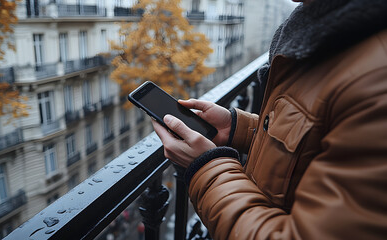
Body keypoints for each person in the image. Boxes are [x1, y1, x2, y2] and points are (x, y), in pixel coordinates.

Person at [152, 0, 387, 239]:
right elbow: (318, 141)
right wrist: (237, 128)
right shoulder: (328, 28)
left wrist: (206, 166)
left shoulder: (375, 79)